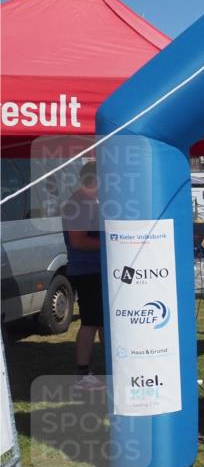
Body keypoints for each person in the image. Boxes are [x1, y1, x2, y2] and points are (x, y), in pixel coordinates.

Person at [61, 161, 104, 390]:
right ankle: (82, 373)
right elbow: (78, 241)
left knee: (103, 323)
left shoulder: (92, 202)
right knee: (90, 322)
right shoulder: (77, 203)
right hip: (87, 271)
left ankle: (112, 367)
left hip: (97, 270)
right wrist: (110, 243)